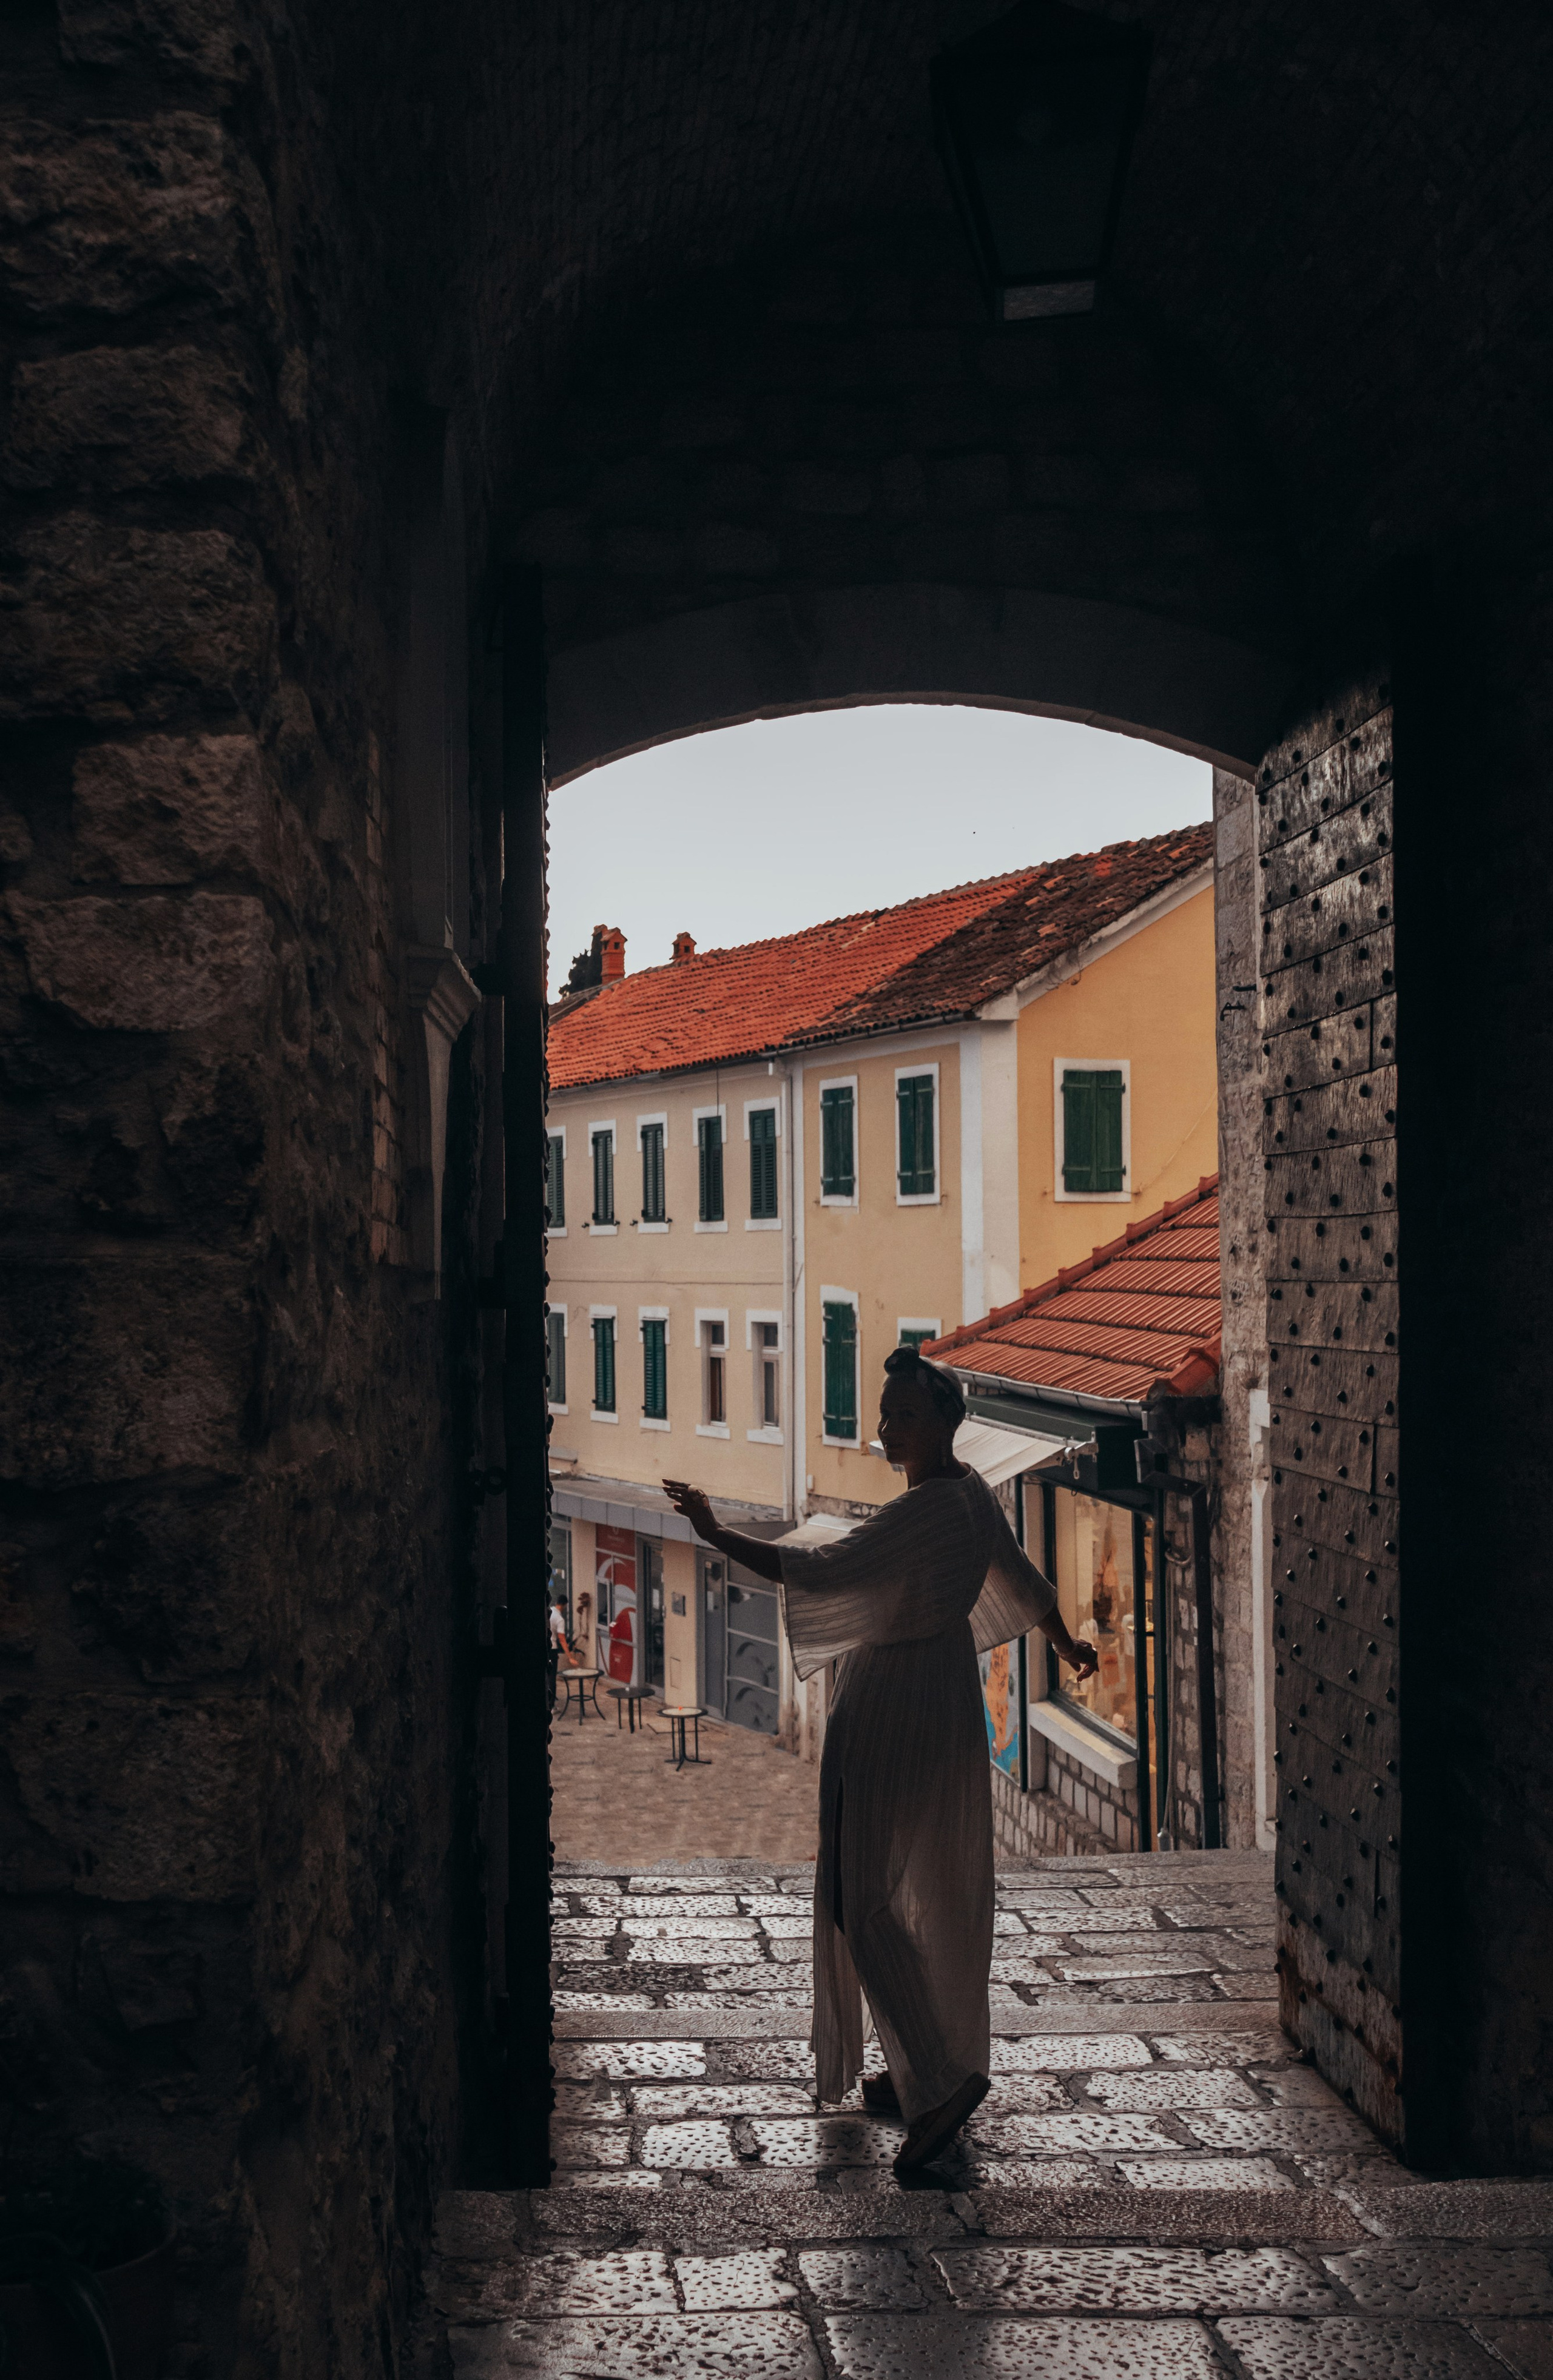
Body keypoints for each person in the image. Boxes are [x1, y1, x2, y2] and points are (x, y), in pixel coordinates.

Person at [665, 1343, 1097, 2178]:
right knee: (924, 1884)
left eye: (901, 1414)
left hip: (896, 1702)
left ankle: (935, 2087)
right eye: (884, 1412)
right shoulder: (973, 1496)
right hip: (945, 1701)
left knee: (862, 1900)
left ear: (942, 1422)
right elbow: (1023, 1578)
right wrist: (1068, 1642)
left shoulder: (921, 1513)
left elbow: (822, 1569)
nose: (884, 1428)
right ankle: (921, 2064)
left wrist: (716, 1531)